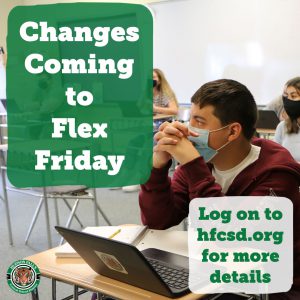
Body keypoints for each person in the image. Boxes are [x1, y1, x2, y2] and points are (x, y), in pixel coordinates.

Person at [139, 79, 300, 299]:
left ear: (233, 131)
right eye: (189, 119)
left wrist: (193, 165)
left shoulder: (278, 173)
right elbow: (158, 220)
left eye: (199, 121)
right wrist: (157, 167)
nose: (187, 129)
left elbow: (231, 238)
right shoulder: (202, 162)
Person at [274, 77, 300, 162]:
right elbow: (274, 157)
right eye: (286, 96)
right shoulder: (282, 126)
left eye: (293, 96)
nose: (288, 100)